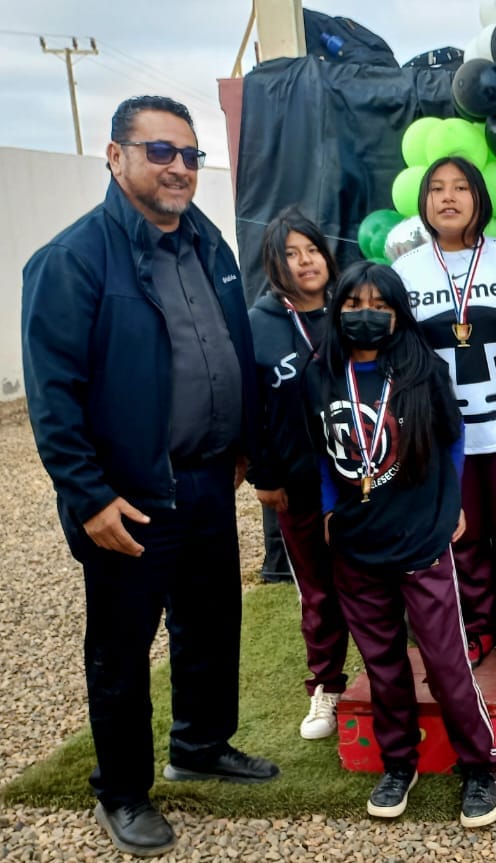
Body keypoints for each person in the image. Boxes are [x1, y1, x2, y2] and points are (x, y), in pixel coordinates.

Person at [21, 95, 278, 858]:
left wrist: (242, 448)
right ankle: (124, 789)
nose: (179, 167)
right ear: (115, 156)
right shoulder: (71, 260)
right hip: (127, 496)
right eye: (160, 151)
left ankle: (200, 742)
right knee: (122, 648)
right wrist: (88, 494)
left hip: (205, 480)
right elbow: (53, 394)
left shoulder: (209, 245)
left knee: (210, 620)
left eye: (191, 155)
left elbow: (234, 348)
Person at [316, 261, 496, 826]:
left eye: (378, 304)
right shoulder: (320, 374)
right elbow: (322, 451)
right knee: (382, 664)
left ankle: (479, 765)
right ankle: (399, 762)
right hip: (356, 546)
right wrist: (329, 509)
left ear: (397, 312)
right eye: (352, 305)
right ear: (337, 310)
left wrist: (450, 510)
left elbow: (453, 439)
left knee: (447, 661)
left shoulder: (421, 371)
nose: (365, 315)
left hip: (421, 539)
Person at [394, 156, 496, 675]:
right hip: (446, 437)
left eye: (461, 187)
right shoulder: (406, 272)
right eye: (436, 189)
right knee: (463, 540)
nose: (449, 197)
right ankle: (475, 629)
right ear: (425, 203)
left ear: (480, 199)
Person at [247, 205, 350, 739]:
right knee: (317, 589)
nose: (305, 261)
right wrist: (265, 475)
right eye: (291, 253)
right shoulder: (258, 325)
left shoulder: (352, 308)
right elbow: (250, 409)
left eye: (311, 249)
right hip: (300, 483)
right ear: (274, 263)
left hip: (362, 479)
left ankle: (393, 675)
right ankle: (327, 686)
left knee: (376, 580)